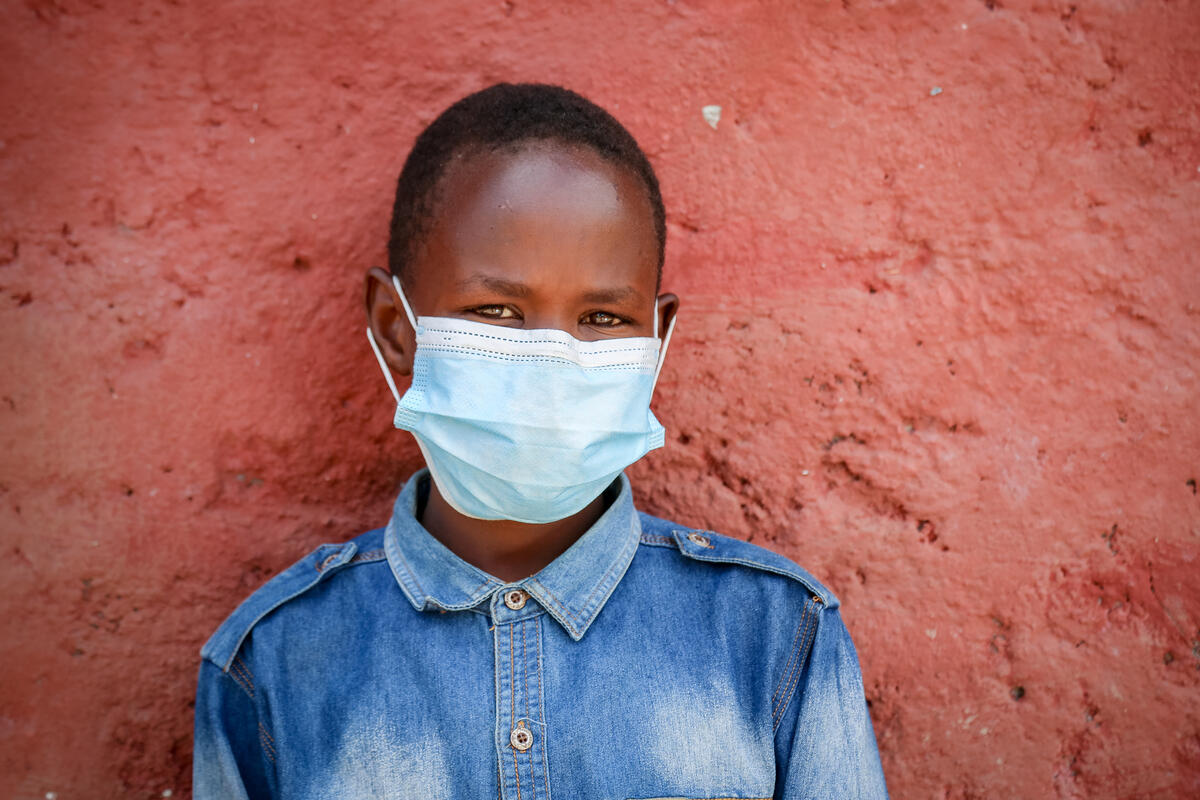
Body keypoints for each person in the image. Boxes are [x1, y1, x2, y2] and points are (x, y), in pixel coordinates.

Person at [193, 82, 888, 799]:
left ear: (659, 334)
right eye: (496, 310)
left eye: (604, 319)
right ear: (396, 328)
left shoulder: (776, 638)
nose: (552, 360)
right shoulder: (271, 664)